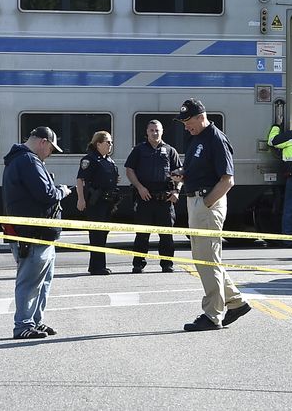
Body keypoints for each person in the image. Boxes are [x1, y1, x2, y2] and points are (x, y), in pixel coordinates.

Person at [172, 98, 251, 332]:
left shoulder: (216, 139)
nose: (186, 126)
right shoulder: (196, 138)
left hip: (207, 203)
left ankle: (212, 314)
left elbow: (228, 180)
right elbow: (202, 170)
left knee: (207, 260)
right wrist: (183, 174)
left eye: (188, 121)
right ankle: (235, 302)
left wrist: (206, 203)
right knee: (205, 259)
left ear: (200, 116)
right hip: (196, 200)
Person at [2, 126, 72, 340]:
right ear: (43, 142)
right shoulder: (29, 161)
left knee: (42, 281)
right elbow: (46, 194)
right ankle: (23, 324)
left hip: (38, 233)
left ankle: (35, 321)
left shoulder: (20, 160)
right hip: (33, 234)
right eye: (51, 148)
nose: (50, 153)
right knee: (31, 281)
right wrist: (62, 191)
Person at [126, 119, 182, 273]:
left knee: (166, 235)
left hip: (165, 199)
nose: (154, 133)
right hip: (145, 197)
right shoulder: (139, 150)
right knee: (142, 234)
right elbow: (129, 170)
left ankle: (167, 264)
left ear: (162, 131)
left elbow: (179, 173)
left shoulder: (170, 150)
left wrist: (176, 191)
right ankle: (138, 264)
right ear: (147, 132)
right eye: (151, 130)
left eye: (157, 130)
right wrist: (140, 187)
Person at [76, 130, 119, 275]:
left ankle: (99, 265)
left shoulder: (108, 160)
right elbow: (80, 180)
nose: (110, 145)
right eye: (108, 142)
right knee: (96, 235)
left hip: (108, 202)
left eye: (111, 142)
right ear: (98, 143)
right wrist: (81, 199)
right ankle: (96, 267)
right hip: (96, 203)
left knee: (103, 234)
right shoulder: (90, 160)